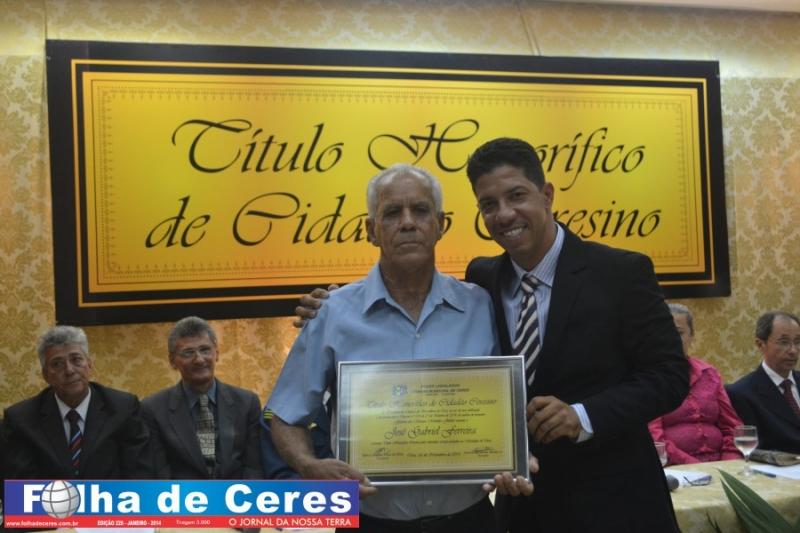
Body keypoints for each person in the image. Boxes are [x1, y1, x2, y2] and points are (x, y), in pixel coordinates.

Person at [297, 139, 688, 532]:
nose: (504, 214)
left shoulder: (621, 272)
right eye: (488, 204)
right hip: (522, 510)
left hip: (615, 505)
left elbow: (669, 377)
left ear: (547, 195)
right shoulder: (483, 281)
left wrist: (582, 415)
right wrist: (333, 305)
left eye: (516, 196)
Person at [268, 163, 531, 533]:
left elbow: (507, 405)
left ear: (441, 225)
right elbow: (284, 416)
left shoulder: (481, 305)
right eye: (392, 212)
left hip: (470, 521)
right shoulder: (334, 313)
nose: (408, 223)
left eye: (420, 210)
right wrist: (309, 465)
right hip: (370, 523)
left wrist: (513, 456)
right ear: (371, 230)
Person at [2, 325, 152, 478]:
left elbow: (140, 476)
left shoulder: (123, 408)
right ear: (45, 375)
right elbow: (20, 486)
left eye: (76, 359)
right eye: (57, 364)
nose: (69, 370)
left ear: (89, 365)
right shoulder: (21, 420)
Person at [141, 316, 263, 479]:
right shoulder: (152, 409)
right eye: (188, 352)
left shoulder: (247, 402)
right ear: (172, 361)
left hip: (238, 493)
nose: (199, 359)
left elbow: (254, 467)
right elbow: (160, 472)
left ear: (217, 353)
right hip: (181, 493)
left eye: (205, 350)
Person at [648, 303, 742, 464]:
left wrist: (729, 463)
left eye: (679, 332)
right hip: (675, 468)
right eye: (665, 332)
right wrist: (695, 467)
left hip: (721, 466)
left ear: (692, 336)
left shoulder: (709, 373)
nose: (672, 338)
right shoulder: (650, 378)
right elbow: (655, 438)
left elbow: (733, 427)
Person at [726, 311, 800, 454]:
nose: (793, 350)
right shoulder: (742, 394)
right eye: (784, 342)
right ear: (760, 344)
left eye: (797, 342)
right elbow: (753, 450)